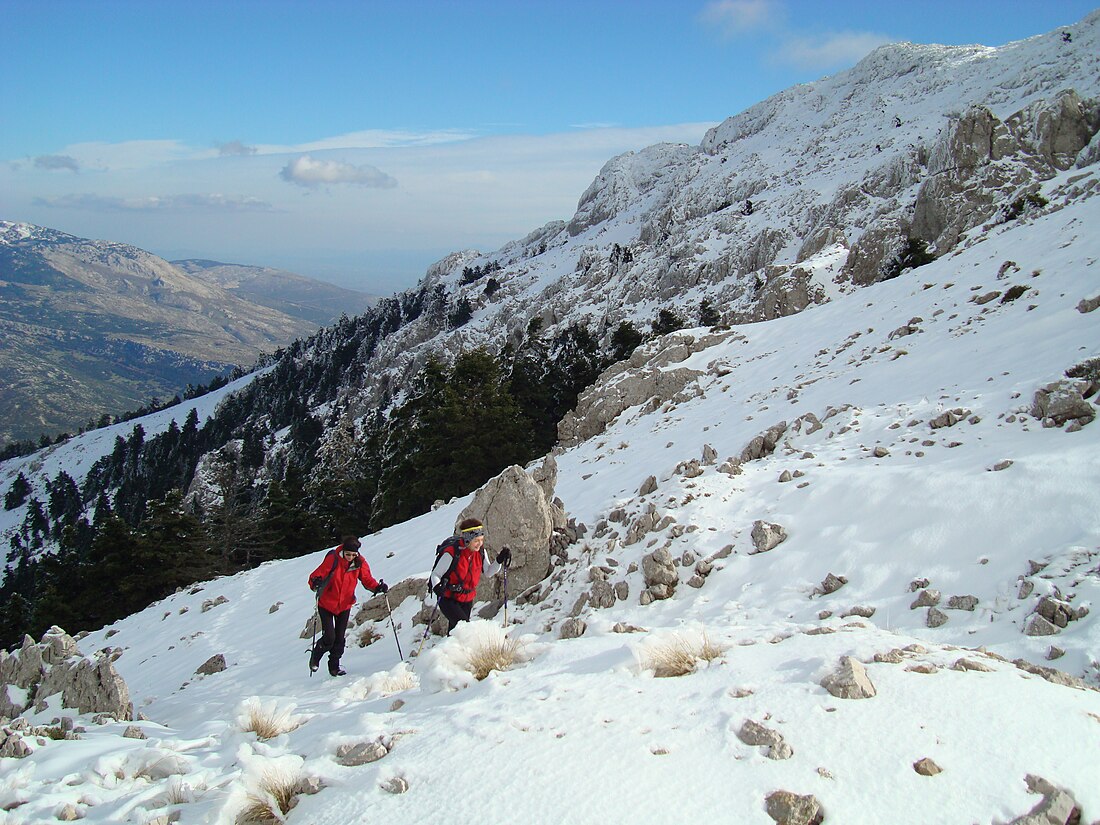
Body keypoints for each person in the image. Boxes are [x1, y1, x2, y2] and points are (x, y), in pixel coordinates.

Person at [308, 535, 388, 676]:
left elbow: (367, 579)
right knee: (330, 637)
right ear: (343, 551)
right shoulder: (333, 559)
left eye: (353, 554)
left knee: (339, 639)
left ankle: (334, 668)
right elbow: (316, 574)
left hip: (344, 605)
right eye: (348, 554)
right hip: (326, 603)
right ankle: (315, 656)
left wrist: (377, 587)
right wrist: (315, 582)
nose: (350, 557)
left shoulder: (359, 562)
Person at [426, 518, 511, 635]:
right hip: (449, 598)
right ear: (467, 540)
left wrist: (499, 560)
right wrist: (437, 587)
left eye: (481, 540)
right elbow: (436, 574)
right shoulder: (452, 552)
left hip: (467, 599)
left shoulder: (480, 552)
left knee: (455, 634)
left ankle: (450, 651)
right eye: (476, 540)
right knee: (465, 629)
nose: (479, 543)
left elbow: (488, 572)